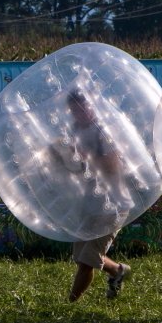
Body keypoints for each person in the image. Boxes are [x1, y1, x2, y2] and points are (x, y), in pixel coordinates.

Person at [53, 90, 132, 302]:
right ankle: (118, 271)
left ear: (91, 106)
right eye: (74, 109)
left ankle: (70, 303)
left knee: (88, 260)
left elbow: (114, 165)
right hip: (90, 204)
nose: (79, 113)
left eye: (83, 107)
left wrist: (87, 157)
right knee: (82, 257)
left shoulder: (103, 132)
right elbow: (77, 168)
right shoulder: (74, 131)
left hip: (113, 203)